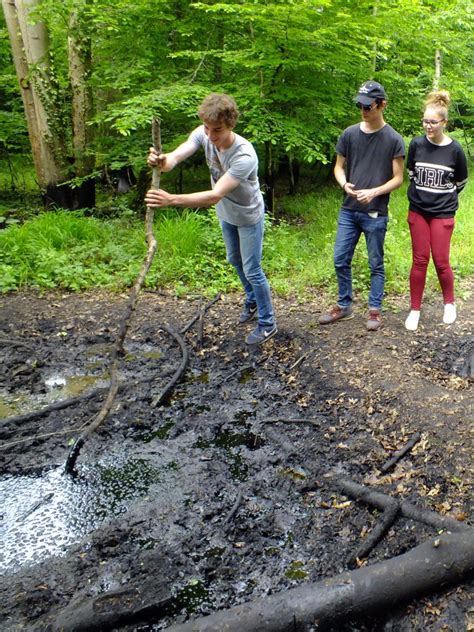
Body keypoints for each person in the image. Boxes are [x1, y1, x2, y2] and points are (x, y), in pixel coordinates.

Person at [144, 93, 277, 345]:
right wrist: (162, 161)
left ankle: (268, 322)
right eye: (207, 128)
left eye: (217, 130)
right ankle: (251, 300)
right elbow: (175, 157)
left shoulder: (244, 155)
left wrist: (171, 200)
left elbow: (215, 195)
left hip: (248, 216)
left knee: (253, 269)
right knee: (233, 260)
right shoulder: (204, 133)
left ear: (230, 125)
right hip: (226, 214)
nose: (210, 135)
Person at [319, 80, 405, 331]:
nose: (363, 111)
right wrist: (344, 183)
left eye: (368, 106)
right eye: (360, 105)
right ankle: (344, 305)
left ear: (382, 105)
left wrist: (375, 191)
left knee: (375, 263)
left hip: (376, 212)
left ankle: (375, 310)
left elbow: (398, 178)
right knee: (339, 259)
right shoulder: (348, 134)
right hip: (349, 209)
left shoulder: (393, 139)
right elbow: (338, 167)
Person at [404, 90, 468, 332]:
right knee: (420, 260)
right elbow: (412, 174)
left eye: (432, 122)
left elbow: (460, 182)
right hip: (418, 210)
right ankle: (415, 309)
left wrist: (442, 198)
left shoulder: (455, 150)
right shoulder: (417, 144)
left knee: (441, 261)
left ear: (444, 123)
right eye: (425, 121)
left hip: (443, 213)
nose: (427, 126)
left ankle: (449, 303)